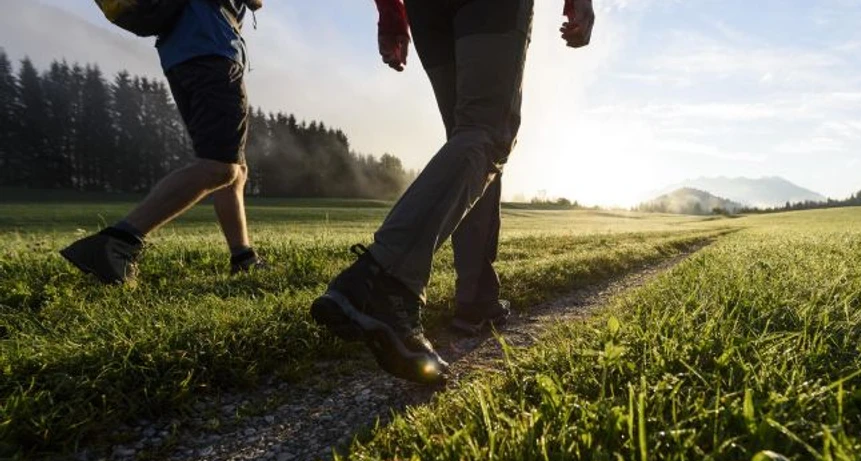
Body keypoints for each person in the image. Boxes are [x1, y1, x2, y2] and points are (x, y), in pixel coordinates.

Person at [310, 0, 595, 384]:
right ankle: (386, 278)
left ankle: (477, 297)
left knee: (469, 139)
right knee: (487, 135)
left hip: (426, 10)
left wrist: (391, 16)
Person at [60, 0, 266, 284]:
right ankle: (117, 241)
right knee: (220, 167)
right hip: (212, 52)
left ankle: (243, 257)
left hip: (183, 56)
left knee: (235, 169)